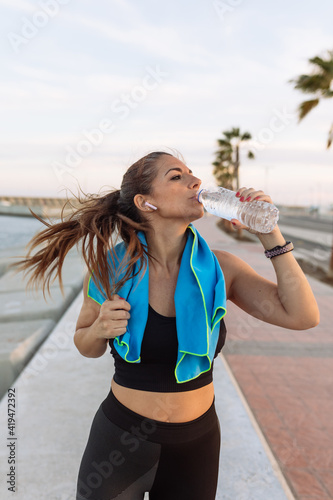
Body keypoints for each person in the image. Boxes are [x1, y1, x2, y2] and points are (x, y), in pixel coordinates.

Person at [16, 151, 319, 500]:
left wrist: (270, 235)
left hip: (197, 445)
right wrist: (99, 329)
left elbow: (302, 316)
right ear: (146, 202)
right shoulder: (109, 269)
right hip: (120, 442)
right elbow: (84, 344)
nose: (196, 181)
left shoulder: (222, 269)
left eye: (192, 173)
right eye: (176, 176)